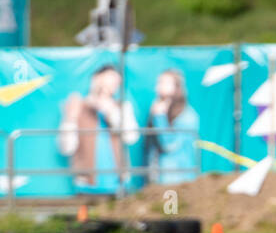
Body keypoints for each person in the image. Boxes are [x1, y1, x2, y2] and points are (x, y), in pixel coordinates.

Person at [58, 64, 140, 193]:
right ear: (95, 79)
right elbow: (66, 149)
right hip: (86, 185)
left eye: (116, 83)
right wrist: (70, 119)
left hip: (119, 184)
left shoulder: (122, 106)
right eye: (108, 80)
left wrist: (109, 110)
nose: (112, 86)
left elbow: (131, 138)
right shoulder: (77, 105)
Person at [145, 68, 200, 184]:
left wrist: (160, 118)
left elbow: (169, 145)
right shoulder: (159, 110)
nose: (158, 87)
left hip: (178, 181)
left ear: (176, 86)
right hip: (159, 179)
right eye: (158, 83)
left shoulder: (187, 116)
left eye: (163, 83)